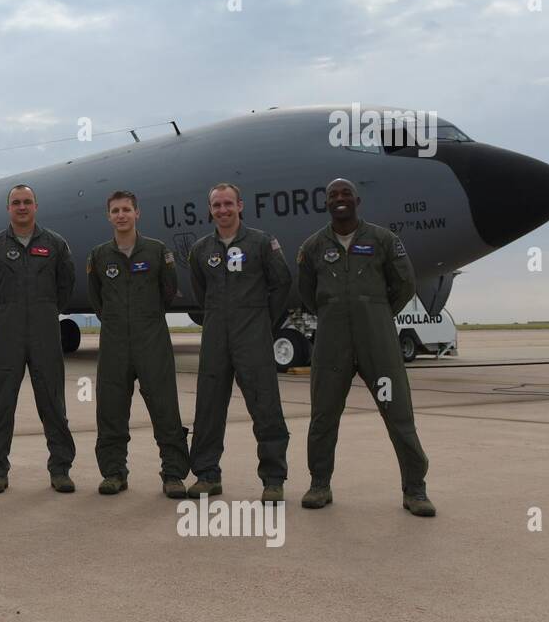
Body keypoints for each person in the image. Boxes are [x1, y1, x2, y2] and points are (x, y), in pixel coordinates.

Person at [296, 178, 435, 516]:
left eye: (345, 194)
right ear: (326, 203)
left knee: (399, 415)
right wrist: (335, 313)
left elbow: (404, 285)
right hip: (332, 345)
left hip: (379, 344)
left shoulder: (384, 240)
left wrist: (374, 312)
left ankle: (415, 489)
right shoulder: (313, 247)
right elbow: (307, 292)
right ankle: (319, 484)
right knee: (323, 416)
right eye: (332, 195)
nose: (339, 199)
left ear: (357, 200)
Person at [185, 183, 292, 501]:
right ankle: (206, 474)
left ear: (240, 206)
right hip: (216, 335)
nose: (223, 210)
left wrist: (261, 321)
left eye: (228, 204)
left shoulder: (261, 242)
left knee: (265, 407)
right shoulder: (201, 250)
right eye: (216, 205)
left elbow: (282, 283)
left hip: (253, 336)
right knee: (208, 408)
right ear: (210, 210)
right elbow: (199, 291)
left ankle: (273, 479)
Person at [86, 190, 190, 496]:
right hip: (114, 342)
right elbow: (97, 299)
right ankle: (114, 473)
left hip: (152, 340)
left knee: (165, 408)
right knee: (111, 410)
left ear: (137, 214)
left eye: (126, 210)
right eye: (115, 210)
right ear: (109, 216)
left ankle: (173, 474)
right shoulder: (100, 256)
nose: (121, 215)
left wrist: (145, 318)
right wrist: (118, 321)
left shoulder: (157, 252)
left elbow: (168, 291)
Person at [0, 185, 77, 493]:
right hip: (7, 334)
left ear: (36, 206)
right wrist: (6, 310)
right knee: (0, 404)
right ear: (8, 208)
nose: (22, 207)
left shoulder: (56, 245)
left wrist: (45, 310)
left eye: (27, 202)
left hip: (45, 333)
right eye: (16, 203)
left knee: (53, 403)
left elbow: (66, 285)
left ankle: (60, 469)